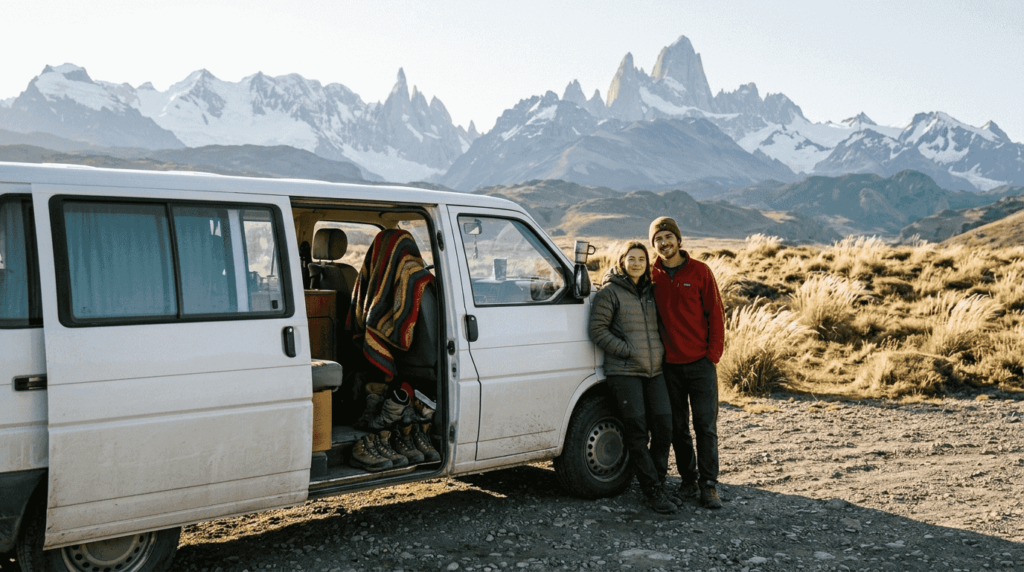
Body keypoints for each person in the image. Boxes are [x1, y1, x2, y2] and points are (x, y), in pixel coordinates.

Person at [588, 241, 676, 514]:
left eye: (642, 258)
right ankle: (652, 491)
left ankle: (657, 483)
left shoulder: (650, 293)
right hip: (624, 372)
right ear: (622, 261)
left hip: (654, 371)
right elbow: (597, 330)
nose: (637, 263)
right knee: (637, 433)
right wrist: (627, 351)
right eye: (632, 258)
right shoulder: (610, 293)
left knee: (664, 428)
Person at [649, 217, 726, 509]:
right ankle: (688, 481)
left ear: (679, 241)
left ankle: (709, 486)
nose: (664, 243)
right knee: (678, 428)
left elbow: (715, 315)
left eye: (669, 237)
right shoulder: (651, 274)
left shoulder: (700, 272)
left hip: (700, 364)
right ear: (653, 244)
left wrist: (712, 356)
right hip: (669, 367)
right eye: (658, 239)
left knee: (705, 427)